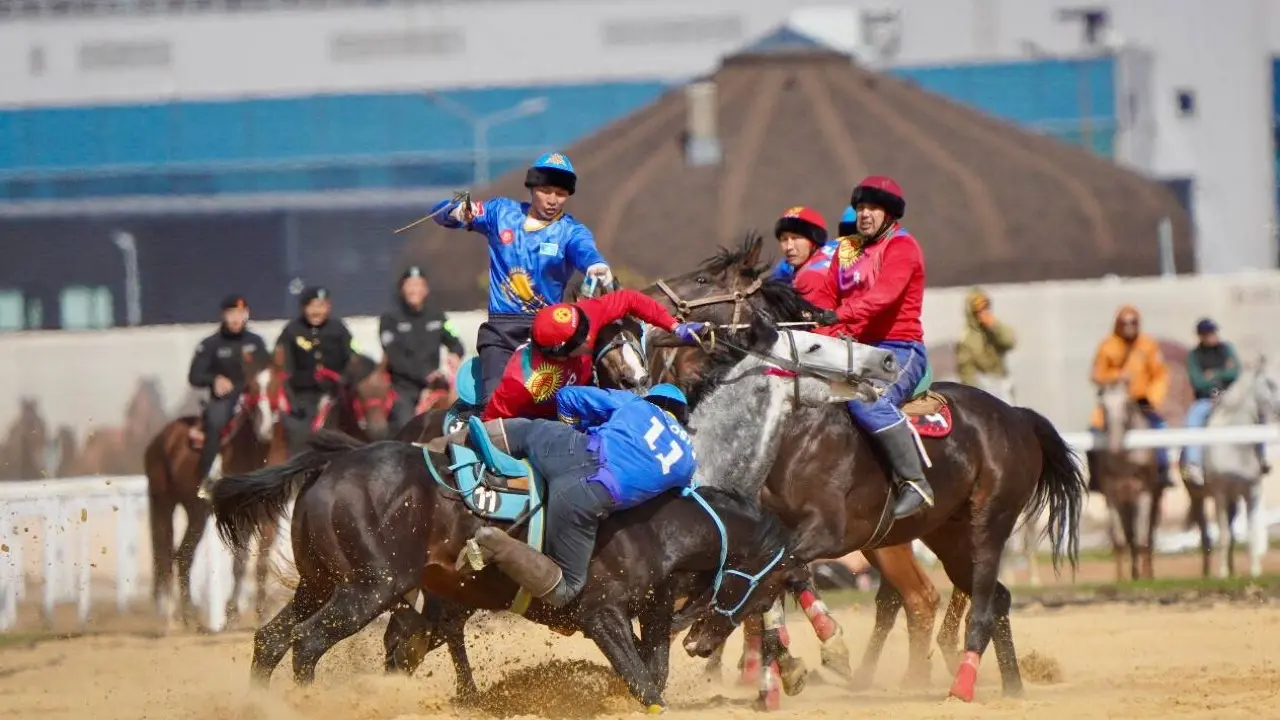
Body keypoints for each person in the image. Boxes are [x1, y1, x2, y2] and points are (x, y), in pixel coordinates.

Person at [459, 383, 697, 608]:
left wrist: (574, 428)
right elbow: (682, 500)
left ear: (652, 399)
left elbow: (567, 396)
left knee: (526, 429)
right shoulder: (688, 459)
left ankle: (451, 443)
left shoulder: (635, 403)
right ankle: (496, 544)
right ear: (682, 418)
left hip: (568, 447)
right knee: (568, 589)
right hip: (586, 496)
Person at [430, 152, 614, 405]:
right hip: (501, 332)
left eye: (560, 194)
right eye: (546, 191)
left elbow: (585, 250)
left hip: (548, 333)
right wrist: (457, 211)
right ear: (533, 187)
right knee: (495, 403)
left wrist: (595, 264)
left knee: (560, 405)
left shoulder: (571, 231)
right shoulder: (501, 212)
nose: (552, 200)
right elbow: (439, 212)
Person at [812, 176, 933, 520]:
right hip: (853, 348)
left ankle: (915, 482)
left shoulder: (903, 247)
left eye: (873, 208)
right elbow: (824, 299)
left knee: (868, 401)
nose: (864, 214)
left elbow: (883, 297)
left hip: (899, 349)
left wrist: (838, 315)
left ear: (889, 213)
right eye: (860, 207)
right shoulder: (847, 250)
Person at [482, 288, 706, 421]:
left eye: (584, 326)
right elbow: (492, 420)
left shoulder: (587, 314)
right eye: (579, 338)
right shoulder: (523, 381)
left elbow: (630, 299)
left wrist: (674, 326)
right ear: (559, 353)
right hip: (546, 421)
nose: (588, 335)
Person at [187, 294, 268, 494]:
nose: (236, 319)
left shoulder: (256, 342)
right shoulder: (211, 344)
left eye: (241, 313)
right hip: (225, 398)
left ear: (247, 315)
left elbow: (267, 369)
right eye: (231, 313)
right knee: (215, 422)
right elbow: (195, 375)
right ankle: (207, 477)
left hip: (252, 396)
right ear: (223, 315)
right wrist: (214, 380)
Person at [1088, 304, 1173, 487]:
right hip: (1114, 401)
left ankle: (1162, 472)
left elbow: (1160, 375)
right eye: (1124, 322)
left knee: (1160, 429)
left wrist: (1152, 399)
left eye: (1133, 322)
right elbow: (1096, 375)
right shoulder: (1107, 346)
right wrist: (1117, 376)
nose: (1129, 326)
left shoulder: (1148, 345)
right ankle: (1095, 478)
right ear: (1118, 323)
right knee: (1093, 434)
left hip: (1141, 402)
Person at [380, 266, 466, 435]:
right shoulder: (389, 320)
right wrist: (425, 374)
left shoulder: (437, 316)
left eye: (419, 285)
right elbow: (395, 357)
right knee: (406, 427)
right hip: (404, 389)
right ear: (402, 289)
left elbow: (455, 341)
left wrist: (455, 353)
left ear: (426, 289)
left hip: (434, 387)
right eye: (410, 285)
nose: (414, 290)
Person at [1182, 318, 1268, 483]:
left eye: (1214, 332)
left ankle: (1261, 456)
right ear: (1201, 336)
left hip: (1231, 397)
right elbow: (1198, 381)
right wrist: (1220, 374)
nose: (1213, 335)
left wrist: (1213, 374)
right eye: (1208, 333)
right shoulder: (1194, 356)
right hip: (1207, 399)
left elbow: (1235, 372)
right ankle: (1194, 463)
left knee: (1257, 414)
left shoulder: (1227, 349)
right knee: (1193, 418)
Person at [274, 286, 356, 455]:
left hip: (336, 394)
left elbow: (352, 358)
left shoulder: (339, 328)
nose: (317, 311)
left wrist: (344, 379)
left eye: (321, 306)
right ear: (303, 307)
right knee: (299, 434)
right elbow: (284, 367)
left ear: (328, 307)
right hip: (303, 396)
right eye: (312, 306)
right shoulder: (292, 330)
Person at [768, 205, 838, 309]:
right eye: (784, 239)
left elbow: (814, 320)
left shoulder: (811, 276)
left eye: (796, 238)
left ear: (814, 241)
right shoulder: (833, 248)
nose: (789, 247)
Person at [955, 287, 1017, 404]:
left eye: (985, 307)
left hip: (1001, 381)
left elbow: (1010, 342)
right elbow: (966, 372)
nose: (983, 312)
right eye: (978, 309)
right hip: (983, 386)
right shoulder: (967, 338)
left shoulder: (995, 328)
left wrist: (994, 325)